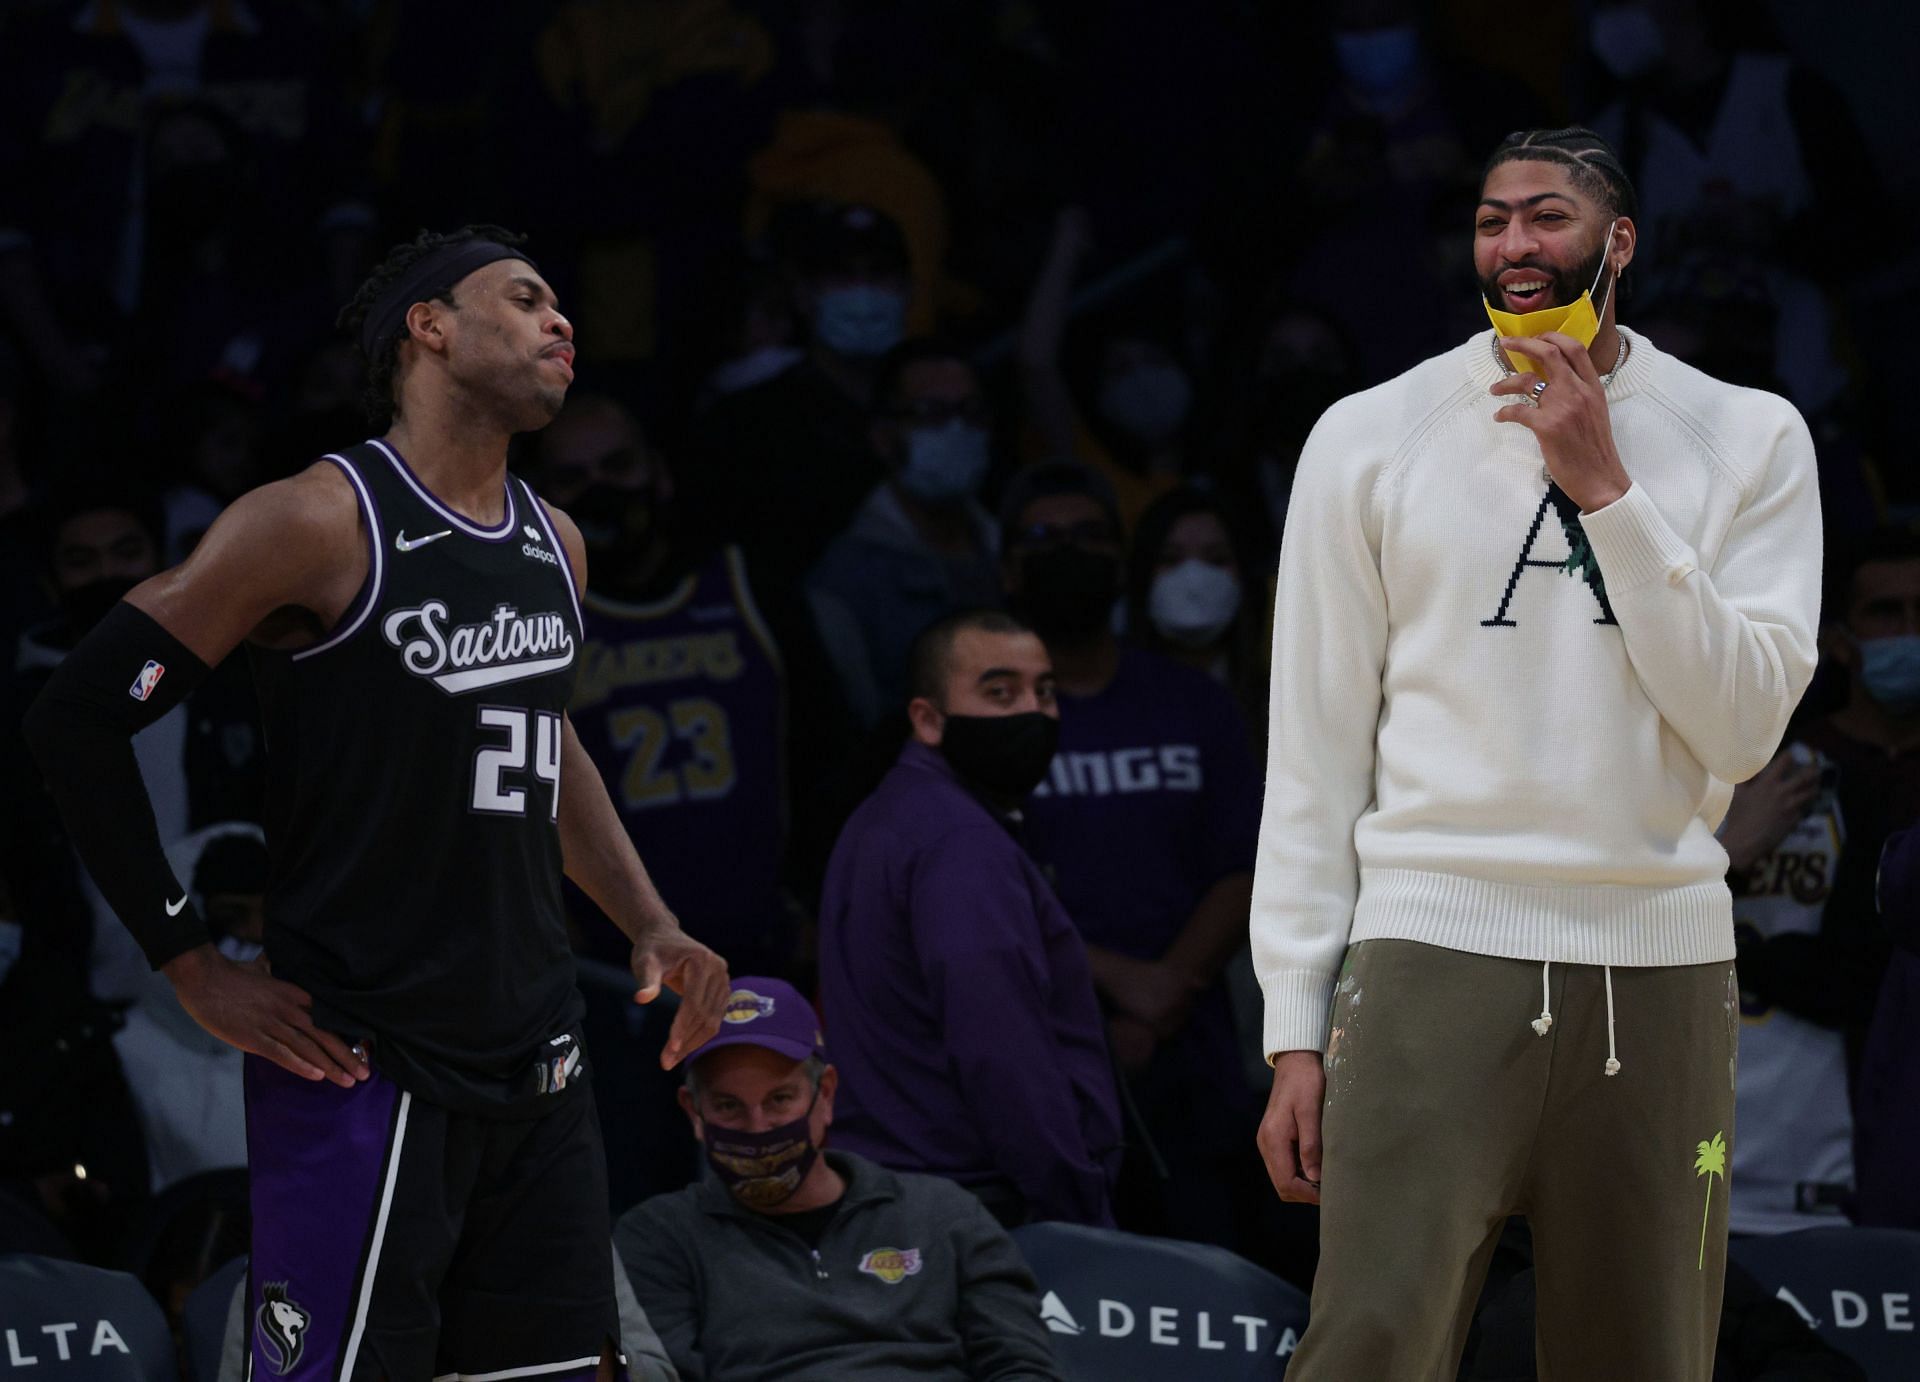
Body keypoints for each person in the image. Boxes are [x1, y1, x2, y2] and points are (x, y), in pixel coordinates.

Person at [24, 224, 730, 1381]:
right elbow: (76, 717)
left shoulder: (559, 542)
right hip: (367, 1058)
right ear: (431, 325)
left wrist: (648, 917)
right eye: (525, 296)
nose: (563, 321)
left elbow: (538, 734)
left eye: (561, 302)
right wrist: (189, 958)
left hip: (541, 1058)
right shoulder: (314, 519)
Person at [1254, 127, 1821, 1378]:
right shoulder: (1369, 434)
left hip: (1665, 963)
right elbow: (1314, 753)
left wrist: (1608, 489)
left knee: (1648, 1355)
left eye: (1548, 216)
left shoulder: (1752, 436)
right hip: (1429, 951)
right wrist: (1294, 1024)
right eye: (1492, 219)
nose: (1515, 244)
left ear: (1619, 242)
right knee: (1369, 1346)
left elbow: (1742, 727)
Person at [1001, 465, 1265, 1252]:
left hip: (1194, 1053)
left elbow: (1245, 862)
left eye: (1088, 536)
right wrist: (1124, 985)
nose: (1068, 555)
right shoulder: (990, 716)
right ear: (1007, 567)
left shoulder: (1192, 701)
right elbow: (986, 887)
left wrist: (1167, 991)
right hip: (1042, 1048)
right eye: (1045, 539)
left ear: (1121, 561)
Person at [816, 609, 1121, 1226]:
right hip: (975, 1211)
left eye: (1045, 692)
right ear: (927, 719)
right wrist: (1078, 1210)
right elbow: (1001, 1050)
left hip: (903, 1196)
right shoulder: (957, 844)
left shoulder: (895, 817)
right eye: (999, 692)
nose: (1031, 712)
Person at [617, 976, 1066, 1381]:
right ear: (694, 1113)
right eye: (729, 1106)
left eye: (780, 1099)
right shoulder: (660, 1237)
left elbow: (1021, 1366)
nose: (758, 1127)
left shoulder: (942, 1214)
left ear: (826, 1093)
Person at [532, 392, 799, 980]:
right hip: (609, 966)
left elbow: (821, 751)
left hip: (761, 943)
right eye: (573, 478)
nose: (601, 489)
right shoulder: (527, 622)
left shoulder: (747, 587)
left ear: (659, 472)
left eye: (618, 467)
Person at [1718, 529, 1920, 1233]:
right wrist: (1722, 859)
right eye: (1886, 614)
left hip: (1866, 1143)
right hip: (1743, 1139)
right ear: (1838, 638)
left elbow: (1857, 974)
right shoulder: (1765, 768)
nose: (1907, 634)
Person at [808, 337, 1003, 729]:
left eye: (971, 411)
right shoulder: (845, 582)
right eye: (931, 413)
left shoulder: (1013, 549)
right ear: (883, 437)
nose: (957, 428)